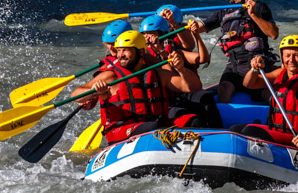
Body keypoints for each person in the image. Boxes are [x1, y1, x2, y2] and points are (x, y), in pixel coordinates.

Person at [71, 30, 203, 144]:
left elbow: (193, 87)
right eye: (119, 50)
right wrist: (94, 91)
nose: (120, 55)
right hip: (122, 130)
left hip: (155, 125)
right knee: (151, 127)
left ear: (140, 52)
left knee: (194, 120)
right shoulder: (111, 76)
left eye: (126, 50)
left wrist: (181, 70)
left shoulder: (157, 73)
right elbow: (76, 94)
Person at [231, 35, 298, 153]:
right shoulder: (281, 73)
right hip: (280, 135)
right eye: (287, 56)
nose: (292, 60)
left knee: (251, 131)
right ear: (282, 58)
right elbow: (249, 84)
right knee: (235, 130)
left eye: (297, 55)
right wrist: (254, 70)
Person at [201, 0, 279, 103]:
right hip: (233, 65)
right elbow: (197, 28)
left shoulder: (258, 7)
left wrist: (253, 14)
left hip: (256, 63)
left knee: (267, 95)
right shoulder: (223, 13)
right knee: (224, 88)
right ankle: (220, 122)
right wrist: (174, 22)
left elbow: (273, 34)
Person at [140, 14, 223, 128]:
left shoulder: (174, 50)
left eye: (151, 34)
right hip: (165, 101)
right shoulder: (144, 56)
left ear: (162, 34)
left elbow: (203, 58)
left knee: (205, 99)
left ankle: (218, 130)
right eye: (144, 35)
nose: (148, 38)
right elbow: (169, 74)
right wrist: (160, 52)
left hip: (182, 92)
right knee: (194, 118)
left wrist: (196, 35)